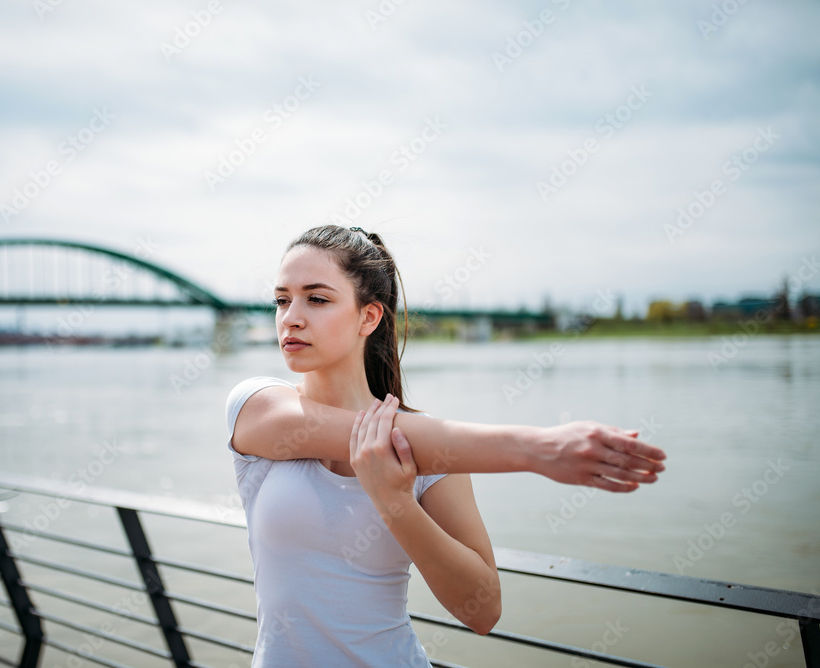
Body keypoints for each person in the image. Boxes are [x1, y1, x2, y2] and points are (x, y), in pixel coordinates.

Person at [225, 224, 666, 666]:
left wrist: (396, 503)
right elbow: (371, 436)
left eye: (316, 298)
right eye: (282, 300)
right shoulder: (256, 407)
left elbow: (483, 611)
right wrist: (539, 448)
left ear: (369, 317)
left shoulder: (435, 449)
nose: (290, 317)